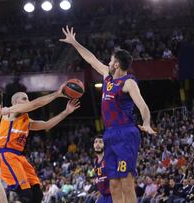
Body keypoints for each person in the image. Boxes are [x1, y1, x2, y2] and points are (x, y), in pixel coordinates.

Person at [60, 26, 156, 203]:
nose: (109, 63)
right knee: (113, 184)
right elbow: (91, 59)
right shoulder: (107, 76)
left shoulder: (128, 83)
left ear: (117, 64)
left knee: (127, 183)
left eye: (111, 60)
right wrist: (74, 43)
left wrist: (147, 122)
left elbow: (143, 106)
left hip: (125, 132)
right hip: (109, 133)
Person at [0, 88, 80, 203]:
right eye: (24, 99)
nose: (28, 101)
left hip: (19, 157)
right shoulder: (12, 112)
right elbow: (35, 104)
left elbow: (47, 125)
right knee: (25, 195)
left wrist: (66, 112)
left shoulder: (26, 120)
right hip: (7, 155)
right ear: (15, 102)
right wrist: (57, 94)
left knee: (37, 194)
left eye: (28, 98)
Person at [93, 136, 112, 203]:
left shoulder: (110, 159)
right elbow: (100, 178)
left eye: (100, 142)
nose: (97, 144)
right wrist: (100, 190)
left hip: (113, 195)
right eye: (96, 142)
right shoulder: (95, 162)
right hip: (103, 196)